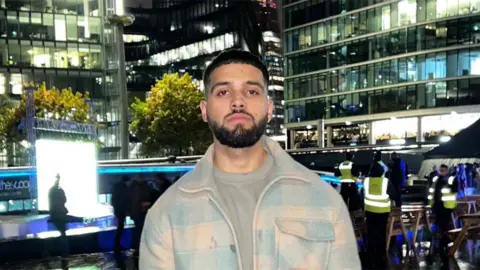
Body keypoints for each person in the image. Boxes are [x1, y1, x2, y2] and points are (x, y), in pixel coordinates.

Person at [140, 49, 360, 269]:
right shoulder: (165, 215)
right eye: (223, 92)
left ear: (269, 109)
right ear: (205, 111)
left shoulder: (326, 202)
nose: (238, 102)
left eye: (252, 91)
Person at [365, 151, 397, 269]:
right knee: (381, 232)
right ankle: (381, 253)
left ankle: (370, 251)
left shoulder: (367, 181)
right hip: (382, 211)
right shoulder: (385, 182)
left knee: (371, 231)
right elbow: (393, 194)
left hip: (369, 210)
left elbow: (363, 194)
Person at [427, 164, 457, 268]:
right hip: (437, 206)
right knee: (441, 226)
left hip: (447, 207)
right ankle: (443, 242)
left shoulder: (451, 179)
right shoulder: (436, 179)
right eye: (441, 170)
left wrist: (448, 184)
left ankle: (443, 242)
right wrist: (430, 204)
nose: (442, 171)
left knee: (443, 225)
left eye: (443, 170)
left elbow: (454, 190)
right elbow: (432, 192)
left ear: (447, 170)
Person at [129, 174, 152, 256]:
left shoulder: (133, 187)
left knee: (138, 230)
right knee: (140, 230)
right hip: (141, 213)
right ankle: (139, 248)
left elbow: (133, 202)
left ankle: (137, 247)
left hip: (137, 213)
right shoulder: (143, 187)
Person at [48, 173, 69, 257]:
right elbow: (64, 200)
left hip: (56, 213)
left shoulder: (53, 190)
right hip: (59, 214)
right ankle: (63, 250)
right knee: (62, 232)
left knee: (61, 232)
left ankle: (62, 250)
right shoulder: (58, 190)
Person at [111, 176, 130, 252]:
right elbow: (125, 200)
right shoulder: (124, 188)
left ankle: (117, 244)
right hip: (121, 210)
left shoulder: (116, 187)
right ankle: (117, 244)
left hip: (117, 210)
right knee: (120, 227)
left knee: (120, 227)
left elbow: (113, 200)